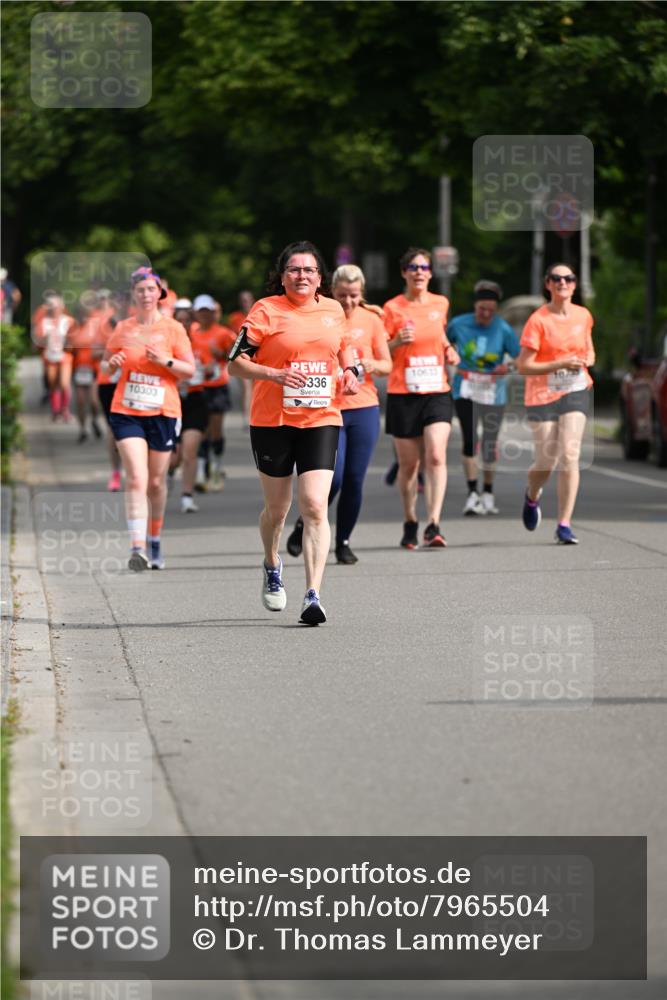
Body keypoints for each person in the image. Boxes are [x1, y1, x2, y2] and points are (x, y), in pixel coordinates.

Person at [228, 240, 359, 624]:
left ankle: (312, 595)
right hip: (273, 420)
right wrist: (275, 374)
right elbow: (235, 363)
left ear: (321, 277)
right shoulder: (266, 310)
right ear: (282, 276)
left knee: (316, 505)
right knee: (278, 509)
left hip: (321, 417)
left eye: (309, 270)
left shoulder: (333, 310)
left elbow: (346, 350)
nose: (302, 276)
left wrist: (352, 373)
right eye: (294, 270)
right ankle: (271, 563)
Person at [285, 264, 392, 564]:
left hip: (364, 407)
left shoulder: (372, 320)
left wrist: (371, 364)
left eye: (354, 296)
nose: (347, 302)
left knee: (355, 480)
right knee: (334, 478)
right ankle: (306, 522)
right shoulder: (321, 315)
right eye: (342, 295)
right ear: (332, 291)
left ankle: (343, 542)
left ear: (362, 294)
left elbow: (388, 365)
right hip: (327, 408)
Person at [101, 267, 194, 570]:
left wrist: (164, 360)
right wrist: (112, 363)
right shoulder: (123, 328)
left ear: (159, 294)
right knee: (137, 478)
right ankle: (137, 546)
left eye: (150, 289)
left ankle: (154, 539)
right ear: (133, 294)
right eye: (140, 290)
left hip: (163, 411)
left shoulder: (173, 329)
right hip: (126, 410)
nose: (145, 294)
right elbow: (106, 366)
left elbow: (189, 370)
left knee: (155, 482)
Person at [383, 248, 459, 549]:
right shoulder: (392, 308)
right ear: (404, 272)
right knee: (410, 466)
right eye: (412, 267)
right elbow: (379, 350)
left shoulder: (441, 303)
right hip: (403, 393)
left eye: (424, 267)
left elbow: (439, 335)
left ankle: (434, 523)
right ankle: (410, 519)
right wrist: (395, 341)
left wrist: (449, 349)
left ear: (430, 272)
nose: (419, 271)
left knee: (437, 455)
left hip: (437, 390)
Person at [517, 263, 595, 545]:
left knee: (570, 454)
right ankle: (532, 495)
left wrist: (586, 360)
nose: (563, 282)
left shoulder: (583, 315)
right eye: (556, 278)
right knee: (546, 461)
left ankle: (564, 523)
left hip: (575, 389)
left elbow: (590, 350)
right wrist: (560, 363)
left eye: (569, 278)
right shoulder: (538, 320)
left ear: (575, 284)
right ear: (547, 284)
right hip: (541, 393)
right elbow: (523, 365)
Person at [448, 280, 520, 515]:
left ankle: (488, 491)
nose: (486, 314)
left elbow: (520, 358)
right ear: (475, 306)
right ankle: (472, 493)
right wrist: (450, 360)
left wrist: (507, 367)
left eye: (491, 310)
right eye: (482, 309)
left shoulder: (503, 328)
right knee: (469, 440)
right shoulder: (458, 324)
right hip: (465, 389)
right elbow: (442, 346)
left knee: (489, 443)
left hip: (493, 392)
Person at [191, 294, 237, 492]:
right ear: (196, 313)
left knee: (216, 430)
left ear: (213, 313)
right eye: (201, 311)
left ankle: (217, 466)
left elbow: (237, 356)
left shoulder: (224, 333)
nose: (204, 315)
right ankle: (202, 471)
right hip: (199, 387)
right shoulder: (191, 333)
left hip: (218, 386)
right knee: (202, 431)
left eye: (207, 311)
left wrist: (221, 355)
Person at [170, 298, 211, 513]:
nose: (184, 324)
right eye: (180, 320)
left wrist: (209, 369)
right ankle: (168, 473)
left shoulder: (200, 343)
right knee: (172, 458)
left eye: (187, 320)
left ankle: (186, 496)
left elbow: (209, 367)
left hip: (195, 401)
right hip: (171, 403)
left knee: (189, 452)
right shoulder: (166, 345)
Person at [67, 293, 104, 443]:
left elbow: (105, 345)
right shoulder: (72, 327)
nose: (83, 315)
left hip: (94, 368)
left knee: (94, 402)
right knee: (81, 401)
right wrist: (70, 348)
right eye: (81, 312)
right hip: (78, 368)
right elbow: (67, 346)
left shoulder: (97, 326)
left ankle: (94, 419)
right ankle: (82, 429)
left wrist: (99, 351)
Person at [33, 293, 75, 421]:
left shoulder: (68, 321)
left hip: (65, 356)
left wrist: (69, 343)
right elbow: (36, 342)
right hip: (50, 356)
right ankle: (56, 410)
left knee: (64, 383)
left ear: (62, 307)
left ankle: (65, 409)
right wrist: (44, 340)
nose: (54, 309)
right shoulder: (44, 322)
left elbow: (75, 338)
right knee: (53, 384)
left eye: (56, 306)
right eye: (51, 306)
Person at [228, 290, 256, 428]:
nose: (245, 302)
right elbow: (231, 338)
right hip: (242, 356)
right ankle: (247, 418)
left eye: (247, 299)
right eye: (242, 300)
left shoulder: (258, 314)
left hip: (257, 357)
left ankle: (255, 415)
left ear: (252, 300)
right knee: (246, 388)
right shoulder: (234, 318)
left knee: (256, 388)